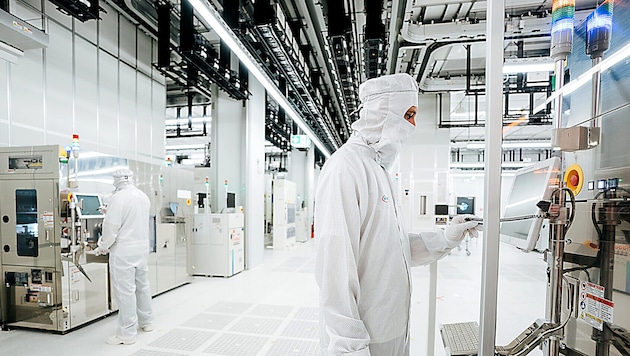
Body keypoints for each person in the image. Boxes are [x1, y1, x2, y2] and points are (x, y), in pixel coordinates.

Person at [314, 73, 480, 355]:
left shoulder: (379, 170)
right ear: (384, 112)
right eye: (409, 114)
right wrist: (350, 347)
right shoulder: (346, 168)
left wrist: (446, 238)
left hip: (391, 329)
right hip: (364, 339)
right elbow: (335, 269)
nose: (413, 125)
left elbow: (392, 248)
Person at [93, 168, 155, 345]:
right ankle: (147, 322)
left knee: (125, 291)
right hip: (141, 249)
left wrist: (102, 247)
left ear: (118, 180)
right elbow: (133, 219)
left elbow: (111, 227)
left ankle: (126, 334)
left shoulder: (117, 198)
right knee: (142, 286)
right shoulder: (143, 196)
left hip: (124, 252)